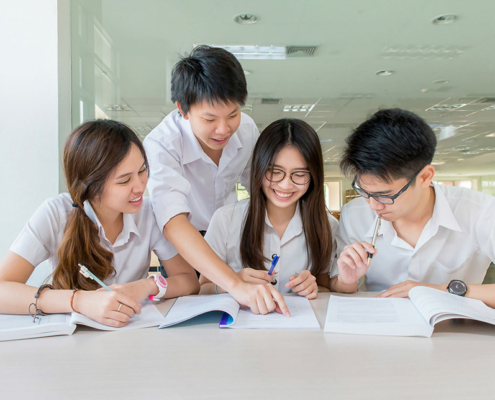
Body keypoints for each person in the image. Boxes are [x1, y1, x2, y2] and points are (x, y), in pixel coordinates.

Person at [0, 120, 199, 327]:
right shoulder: (55, 213)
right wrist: (79, 301)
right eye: (124, 181)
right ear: (90, 185)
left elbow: (188, 281)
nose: (140, 187)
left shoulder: (149, 213)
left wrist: (146, 286)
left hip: (132, 335)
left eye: (142, 171)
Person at [143, 45, 289, 315]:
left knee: (241, 312)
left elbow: (261, 189)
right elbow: (173, 222)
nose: (224, 129)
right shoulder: (161, 144)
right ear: (183, 110)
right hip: (186, 240)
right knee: (188, 312)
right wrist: (233, 282)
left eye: (233, 114)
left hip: (229, 235)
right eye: (210, 119)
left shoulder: (246, 130)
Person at [334, 108, 495, 306]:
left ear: (425, 177)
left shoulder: (482, 211)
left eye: (386, 195)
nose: (373, 205)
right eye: (364, 191)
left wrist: (436, 291)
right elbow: (340, 289)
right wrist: (346, 281)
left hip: (456, 330)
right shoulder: (354, 214)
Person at [200, 119, 355, 298]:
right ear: (259, 168)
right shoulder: (225, 219)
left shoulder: (327, 225)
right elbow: (203, 288)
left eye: (299, 174)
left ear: (313, 176)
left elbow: (325, 287)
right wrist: (233, 281)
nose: (285, 184)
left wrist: (314, 288)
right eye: (274, 172)